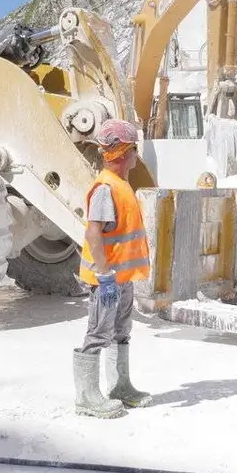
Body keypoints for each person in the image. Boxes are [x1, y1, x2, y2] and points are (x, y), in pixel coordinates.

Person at [72, 118, 155, 419]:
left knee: (121, 332)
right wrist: (105, 276)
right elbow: (95, 233)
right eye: (134, 149)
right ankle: (86, 397)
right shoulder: (106, 188)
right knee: (98, 333)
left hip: (123, 279)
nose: (137, 155)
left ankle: (120, 387)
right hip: (108, 280)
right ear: (123, 152)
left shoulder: (121, 185)